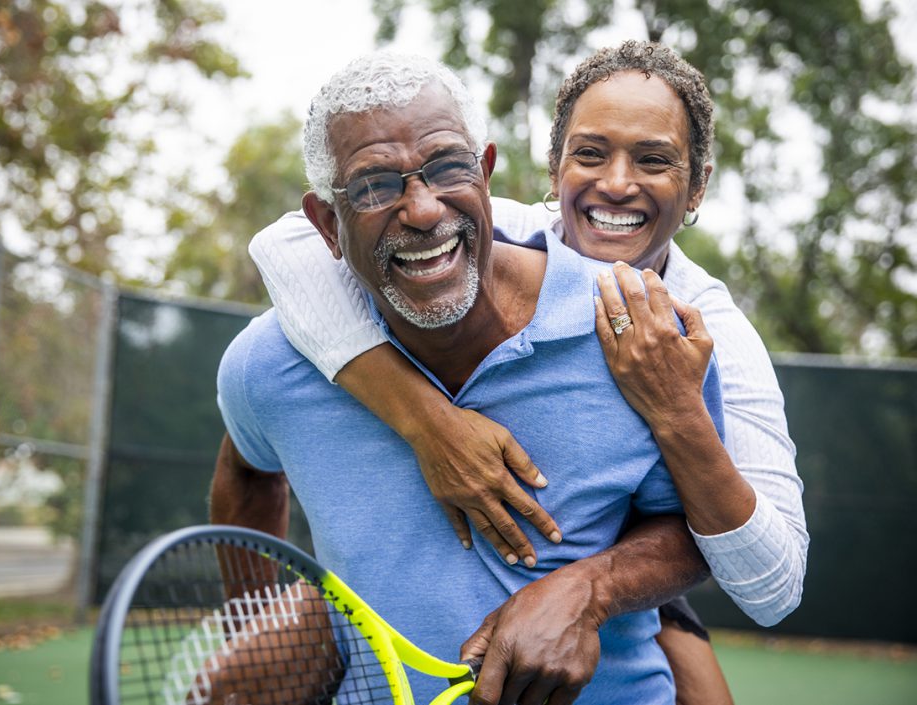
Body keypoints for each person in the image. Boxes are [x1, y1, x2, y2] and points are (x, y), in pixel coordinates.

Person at [243, 40, 808, 703]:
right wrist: (430, 424)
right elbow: (285, 244)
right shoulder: (474, 225)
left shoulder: (711, 332)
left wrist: (672, 415)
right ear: (553, 168)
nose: (617, 182)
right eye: (590, 154)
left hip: (640, 549)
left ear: (697, 187)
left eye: (653, 160)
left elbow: (770, 584)